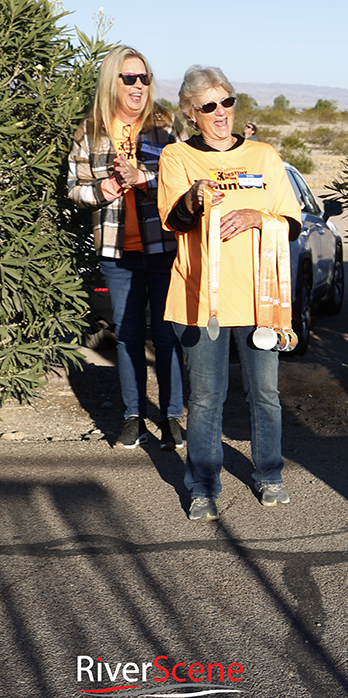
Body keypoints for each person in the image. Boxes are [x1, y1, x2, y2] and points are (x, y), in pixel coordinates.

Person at [157, 66, 301, 522]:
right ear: (191, 113)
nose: (222, 113)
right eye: (209, 106)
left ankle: (270, 473)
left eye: (228, 101)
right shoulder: (176, 157)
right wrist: (195, 198)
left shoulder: (264, 155)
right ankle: (202, 484)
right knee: (204, 398)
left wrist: (260, 219)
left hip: (261, 299)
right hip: (201, 300)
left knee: (265, 393)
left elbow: (292, 221)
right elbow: (173, 221)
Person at [67, 45, 188, 450]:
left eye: (145, 78)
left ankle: (172, 416)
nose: (139, 86)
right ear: (112, 82)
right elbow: (73, 188)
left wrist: (143, 178)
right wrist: (103, 189)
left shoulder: (164, 128)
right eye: (130, 78)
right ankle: (133, 416)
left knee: (168, 335)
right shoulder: (90, 130)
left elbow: (185, 181)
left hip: (163, 246)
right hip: (117, 252)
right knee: (129, 336)